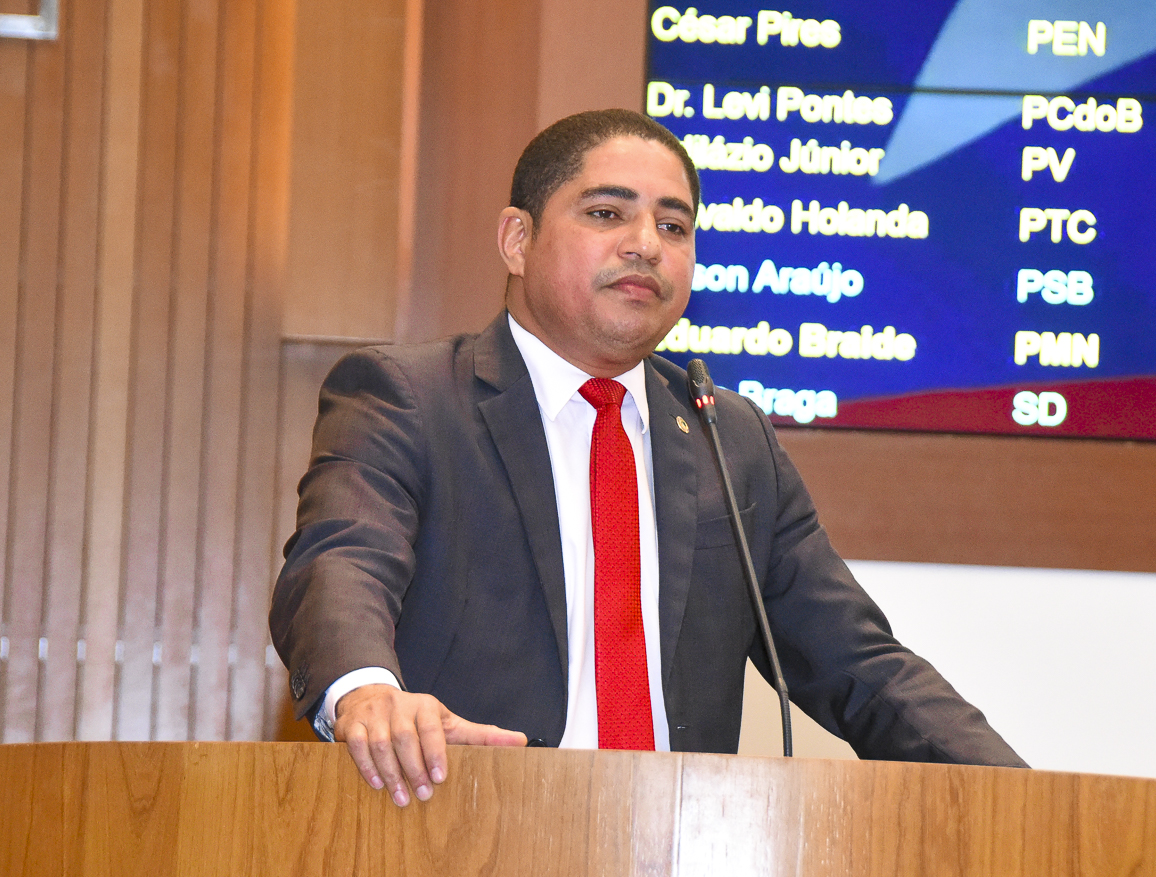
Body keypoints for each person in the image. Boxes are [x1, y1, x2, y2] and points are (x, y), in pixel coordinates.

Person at [271, 109, 1025, 808]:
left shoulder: (728, 439)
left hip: (677, 851)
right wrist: (366, 692)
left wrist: (1025, 796)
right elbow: (342, 561)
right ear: (517, 238)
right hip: (458, 834)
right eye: (607, 213)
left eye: (674, 225)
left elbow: (860, 665)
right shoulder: (413, 397)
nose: (646, 244)